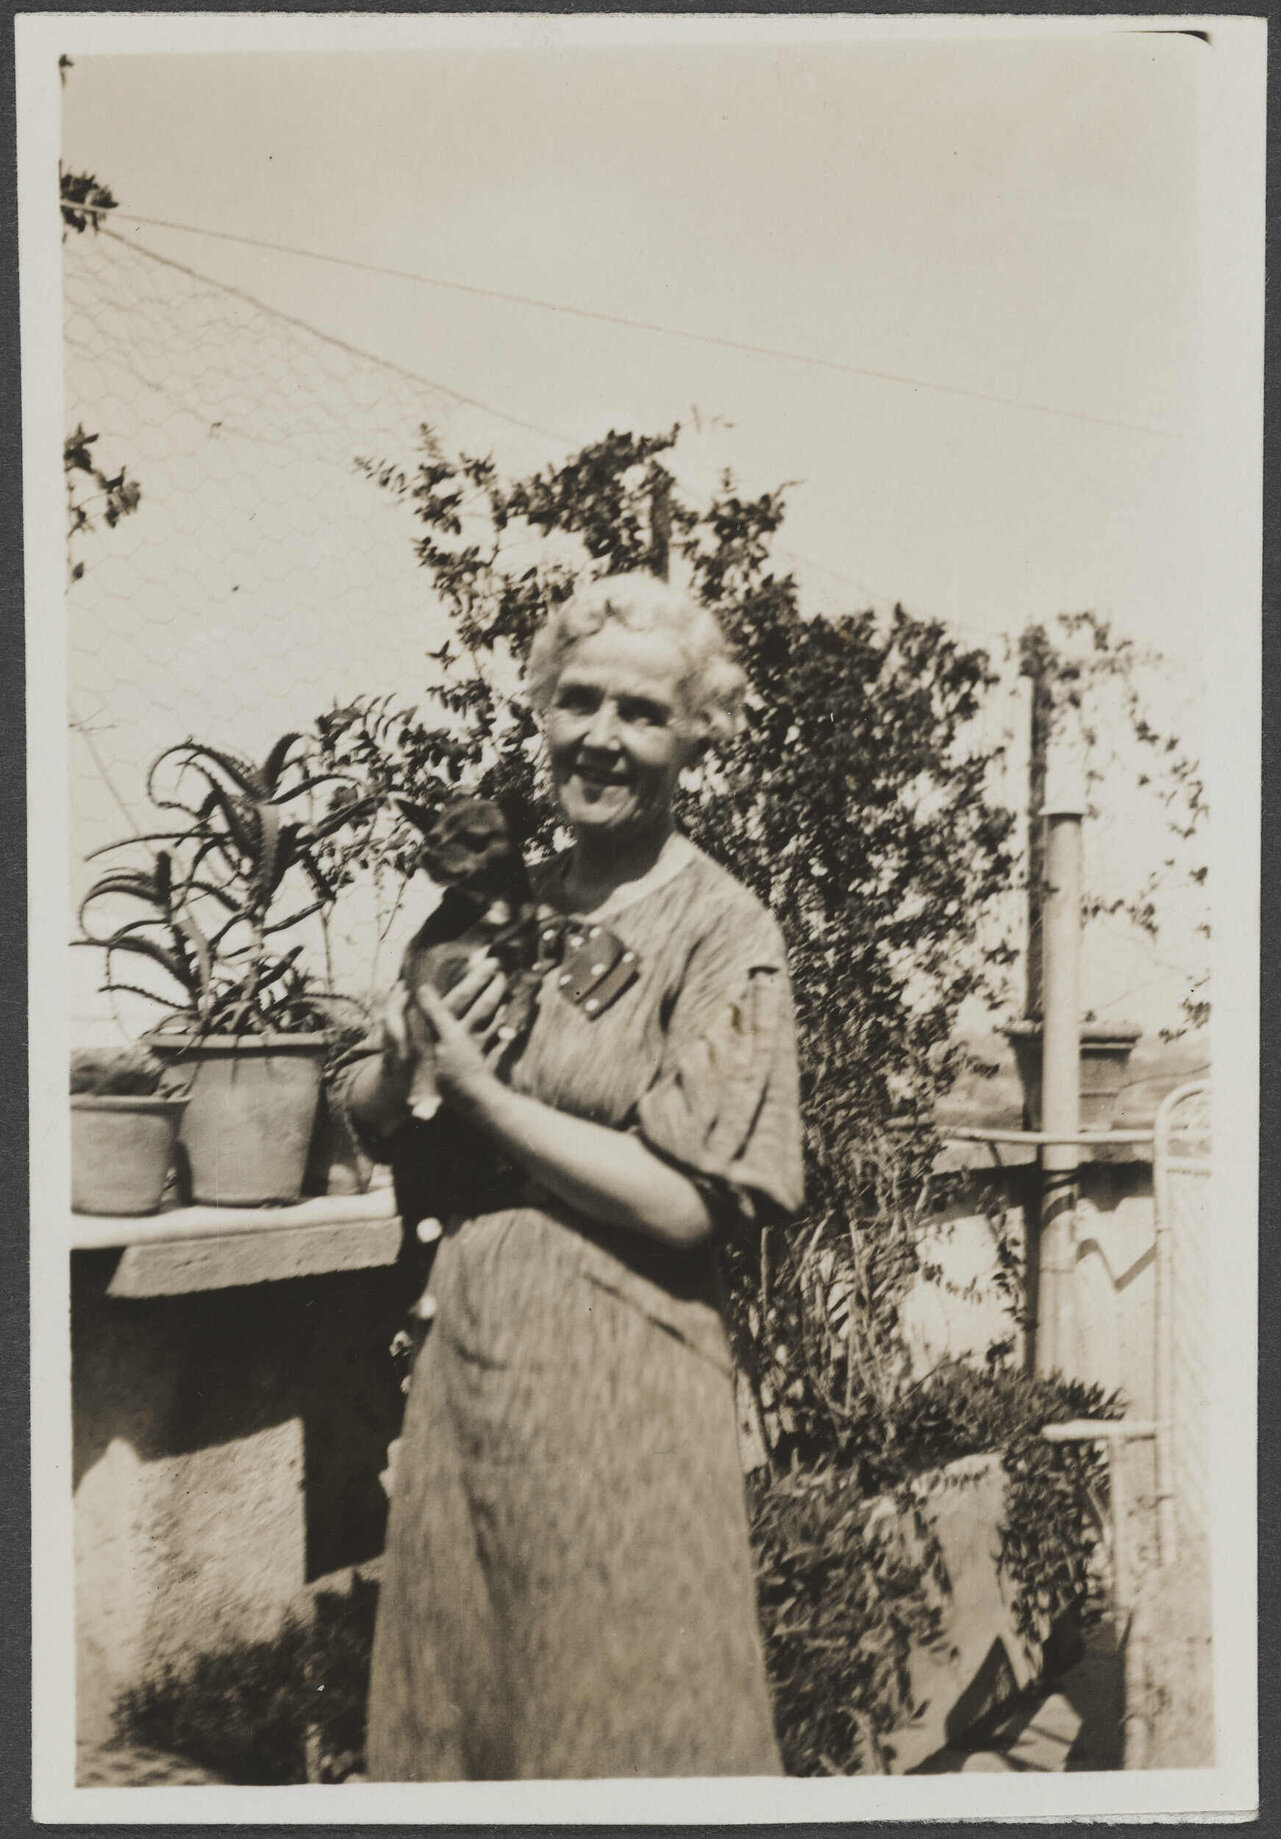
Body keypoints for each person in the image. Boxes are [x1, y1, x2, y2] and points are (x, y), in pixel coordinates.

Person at [343, 571, 804, 1780]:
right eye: (579, 701)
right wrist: (402, 1069)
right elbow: (374, 1109)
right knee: (465, 1718)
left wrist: (488, 1100)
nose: (602, 736)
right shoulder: (493, 901)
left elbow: (683, 1198)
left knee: (629, 1726)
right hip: (470, 1375)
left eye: (643, 713)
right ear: (542, 710)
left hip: (626, 1385)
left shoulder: (724, 931)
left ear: (695, 737)